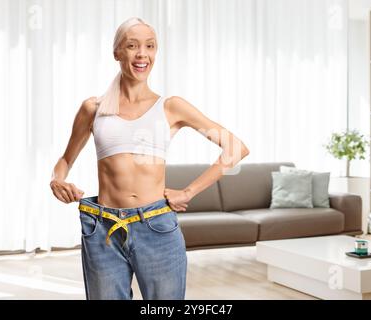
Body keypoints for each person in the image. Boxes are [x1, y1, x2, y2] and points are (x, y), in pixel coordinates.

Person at [49, 17, 250, 300]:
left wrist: (189, 191)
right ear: (117, 52)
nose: (142, 54)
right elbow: (65, 160)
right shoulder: (93, 109)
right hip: (101, 228)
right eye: (132, 46)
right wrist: (57, 179)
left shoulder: (171, 107)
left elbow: (235, 147)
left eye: (150, 46)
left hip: (155, 226)